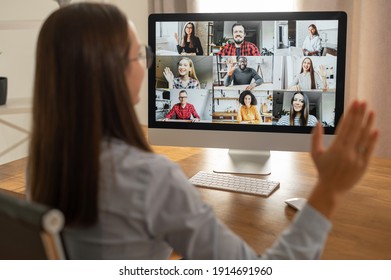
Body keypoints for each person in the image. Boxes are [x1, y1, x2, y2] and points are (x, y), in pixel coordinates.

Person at [28, 2, 379, 260]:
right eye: (140, 54)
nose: (148, 63)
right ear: (111, 71)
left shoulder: (43, 166)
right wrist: (329, 190)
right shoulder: (150, 179)